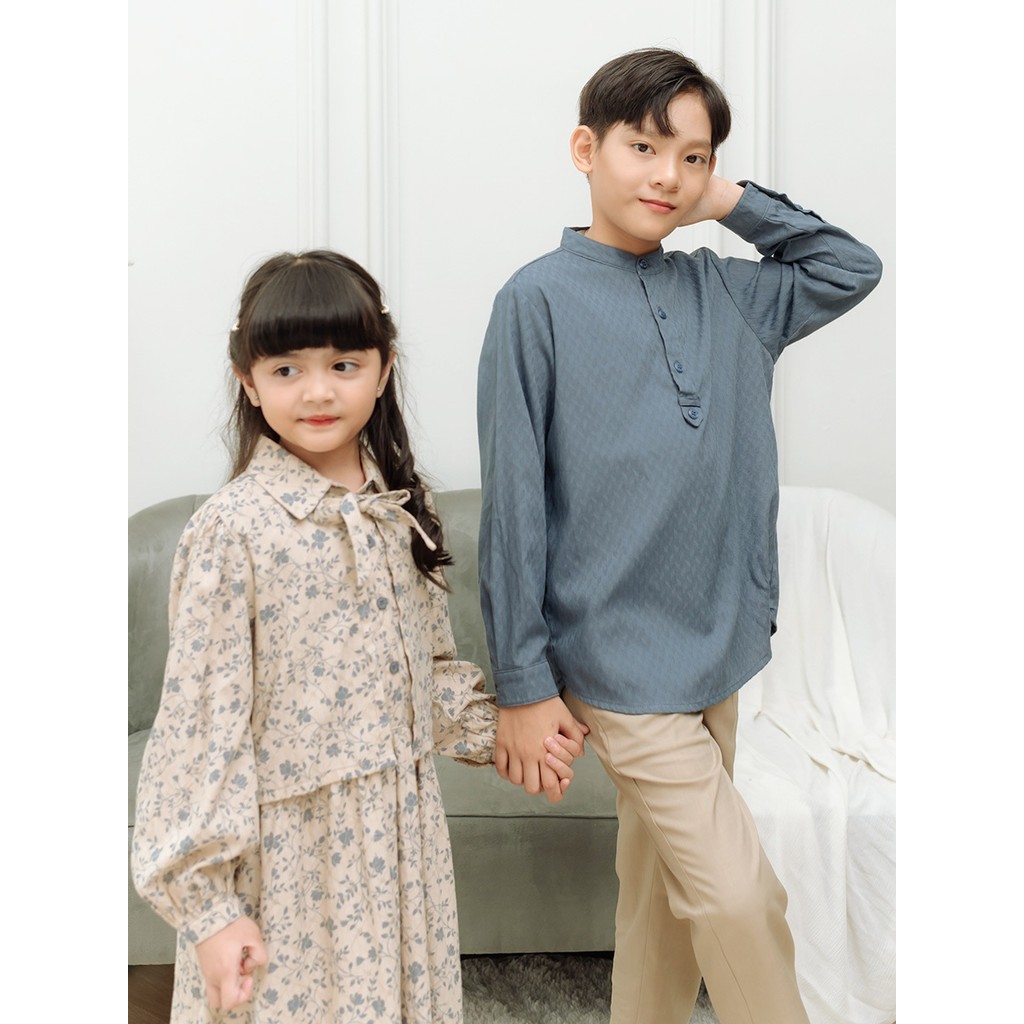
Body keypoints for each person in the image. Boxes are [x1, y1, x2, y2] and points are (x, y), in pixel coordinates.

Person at [476, 48, 883, 1024]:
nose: (666, 175)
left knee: (662, 893)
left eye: (691, 157)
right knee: (741, 896)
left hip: (717, 641)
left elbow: (850, 266)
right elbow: (515, 502)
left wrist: (725, 200)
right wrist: (522, 684)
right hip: (612, 654)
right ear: (586, 149)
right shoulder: (535, 300)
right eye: (643, 147)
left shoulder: (734, 296)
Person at [131, 249, 584, 1024]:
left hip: (400, 839)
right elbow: (198, 731)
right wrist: (210, 911)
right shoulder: (231, 531)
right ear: (248, 380)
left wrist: (516, 734)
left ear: (383, 369)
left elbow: (426, 677)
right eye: (287, 369)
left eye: (344, 364)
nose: (318, 391)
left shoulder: (396, 511)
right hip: (289, 860)